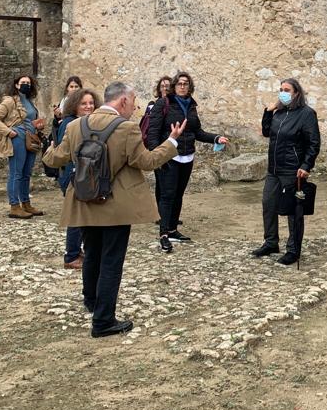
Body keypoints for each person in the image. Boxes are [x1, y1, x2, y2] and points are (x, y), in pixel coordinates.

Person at [43, 81, 185, 338]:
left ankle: (92, 302)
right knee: (111, 261)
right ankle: (103, 320)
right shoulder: (126, 128)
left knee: (92, 254)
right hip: (116, 205)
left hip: (84, 201)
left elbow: (55, 158)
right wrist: (171, 142)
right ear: (122, 102)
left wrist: (48, 147)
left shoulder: (75, 126)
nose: (134, 108)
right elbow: (147, 161)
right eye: (132, 103)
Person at [146, 71, 228, 252]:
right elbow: (153, 133)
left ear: (190, 87)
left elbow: (197, 132)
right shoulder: (163, 103)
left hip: (187, 156)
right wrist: (156, 156)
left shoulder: (191, 106)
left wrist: (216, 138)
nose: (183, 86)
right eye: (180, 83)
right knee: (167, 195)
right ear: (174, 86)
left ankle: (173, 229)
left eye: (186, 84)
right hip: (168, 156)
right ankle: (164, 234)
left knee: (178, 194)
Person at [256, 78, 321, 265]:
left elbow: (313, 143)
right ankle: (270, 242)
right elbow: (267, 132)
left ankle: (293, 249)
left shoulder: (306, 114)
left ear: (296, 93)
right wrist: (268, 112)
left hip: (293, 169)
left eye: (287, 90)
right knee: (268, 204)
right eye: (280, 89)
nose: (282, 92)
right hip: (274, 169)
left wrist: (306, 165)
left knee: (293, 211)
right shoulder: (279, 113)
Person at [0, 74, 47, 219]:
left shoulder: (29, 101)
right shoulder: (9, 101)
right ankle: (14, 206)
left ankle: (26, 204)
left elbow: (29, 119)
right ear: (16, 85)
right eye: (23, 82)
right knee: (16, 173)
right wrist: (9, 133)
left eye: (28, 82)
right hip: (18, 138)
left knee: (27, 173)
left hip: (31, 138)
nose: (26, 84)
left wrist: (37, 125)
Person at [56, 88, 102, 269]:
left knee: (82, 216)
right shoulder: (69, 123)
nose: (88, 106)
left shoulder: (85, 122)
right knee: (76, 217)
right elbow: (63, 152)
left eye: (91, 103)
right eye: (84, 103)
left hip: (83, 175)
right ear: (75, 105)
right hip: (72, 175)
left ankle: (77, 250)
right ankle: (71, 256)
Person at [146, 75, 173, 220]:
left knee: (170, 185)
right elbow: (152, 131)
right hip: (159, 149)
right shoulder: (156, 105)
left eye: (167, 86)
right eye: (162, 86)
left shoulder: (174, 105)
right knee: (161, 184)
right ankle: (161, 215)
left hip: (171, 149)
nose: (165, 89)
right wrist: (154, 151)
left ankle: (169, 215)